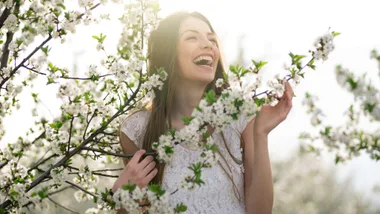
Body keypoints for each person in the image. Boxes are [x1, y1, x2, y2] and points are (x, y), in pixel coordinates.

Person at [112, 11, 294, 214]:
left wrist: (261, 134)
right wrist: (125, 196)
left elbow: (260, 211)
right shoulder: (137, 129)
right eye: (191, 37)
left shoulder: (239, 116)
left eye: (212, 39)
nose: (208, 45)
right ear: (167, 52)